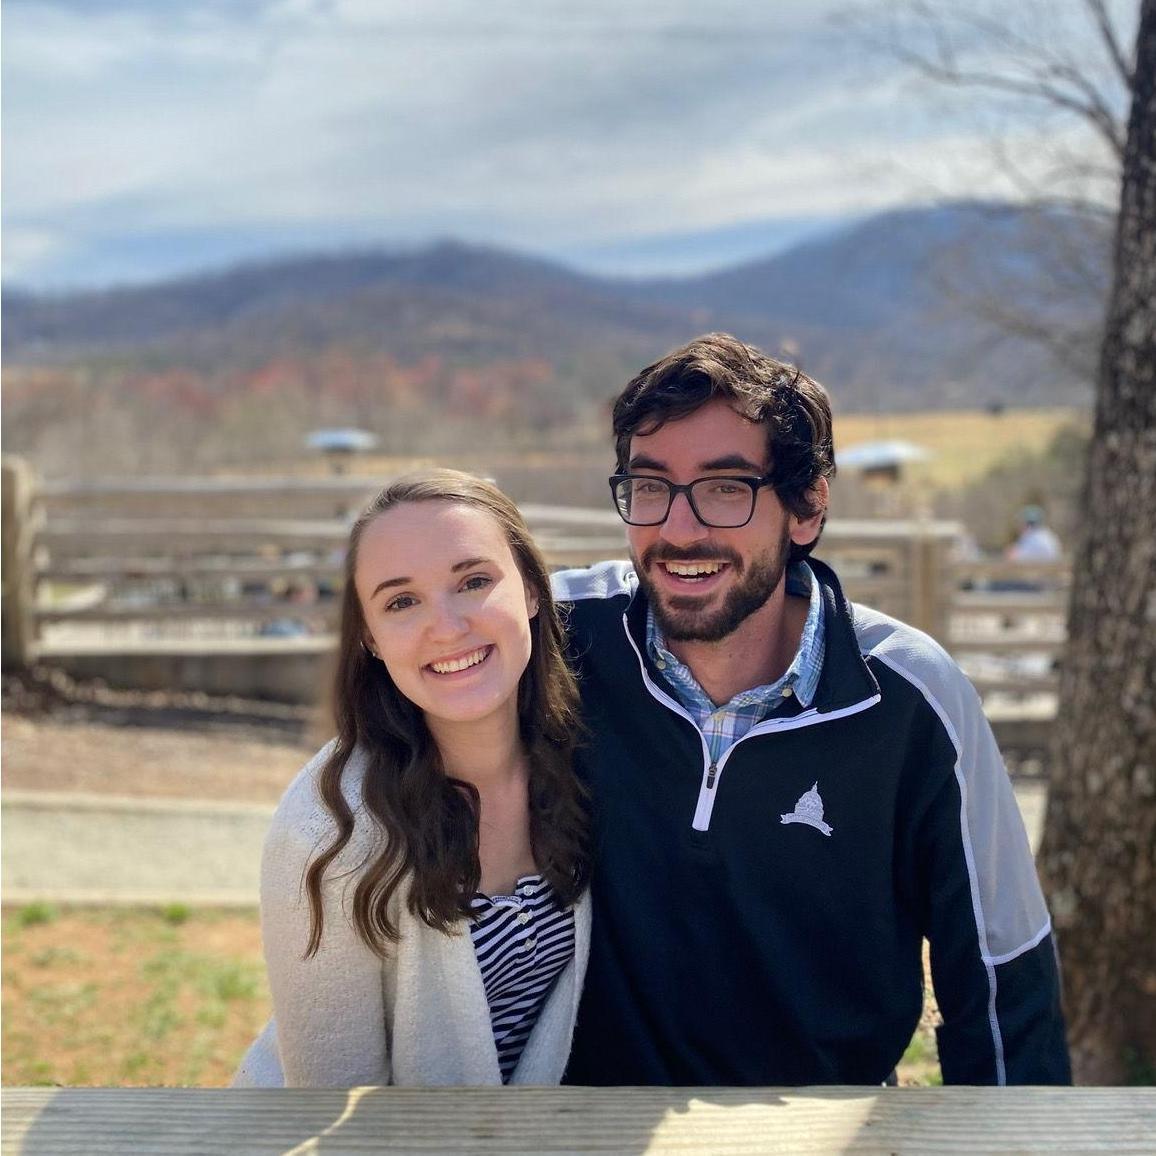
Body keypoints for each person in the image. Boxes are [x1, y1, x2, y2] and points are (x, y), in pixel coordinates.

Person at [554, 333, 1070, 1086]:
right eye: (651, 485)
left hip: (823, 1128)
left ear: (806, 508)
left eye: (727, 487)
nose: (678, 528)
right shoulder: (560, 638)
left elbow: (1000, 983)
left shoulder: (913, 700)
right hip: (579, 1129)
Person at [234, 469, 590, 1087]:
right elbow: (333, 1099)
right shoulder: (327, 832)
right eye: (402, 601)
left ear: (533, 590)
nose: (446, 627)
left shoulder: (589, 759)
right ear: (369, 637)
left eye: (474, 581)